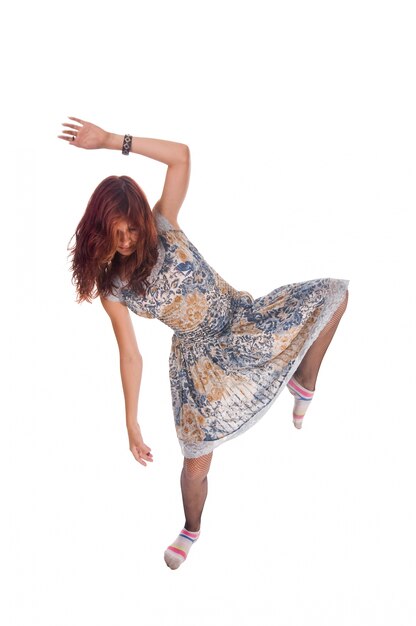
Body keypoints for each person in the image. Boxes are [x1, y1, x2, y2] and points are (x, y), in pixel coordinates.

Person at [58, 116, 349, 570]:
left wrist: (111, 141)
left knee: (334, 295)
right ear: (101, 231)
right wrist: (131, 423)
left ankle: (304, 381)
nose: (131, 240)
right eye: (120, 235)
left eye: (134, 230)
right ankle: (191, 527)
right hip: (197, 361)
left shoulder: (163, 223)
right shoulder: (112, 288)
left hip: (238, 320)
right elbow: (130, 355)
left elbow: (182, 156)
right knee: (196, 463)